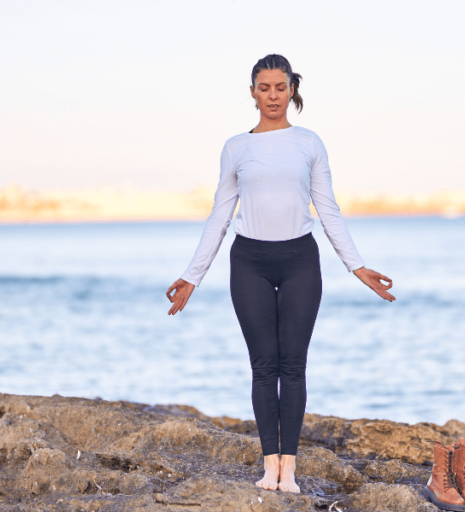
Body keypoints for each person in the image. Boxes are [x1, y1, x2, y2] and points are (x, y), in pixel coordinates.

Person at [165, 54, 394, 493]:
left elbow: (327, 208)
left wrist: (357, 265)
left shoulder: (309, 143)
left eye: (280, 87)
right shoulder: (236, 147)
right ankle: (269, 466)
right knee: (263, 366)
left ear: (293, 90)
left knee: (294, 366)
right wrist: (193, 275)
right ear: (253, 93)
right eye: (264, 88)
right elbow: (220, 214)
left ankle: (289, 469)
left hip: (300, 262)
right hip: (248, 261)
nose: (273, 95)